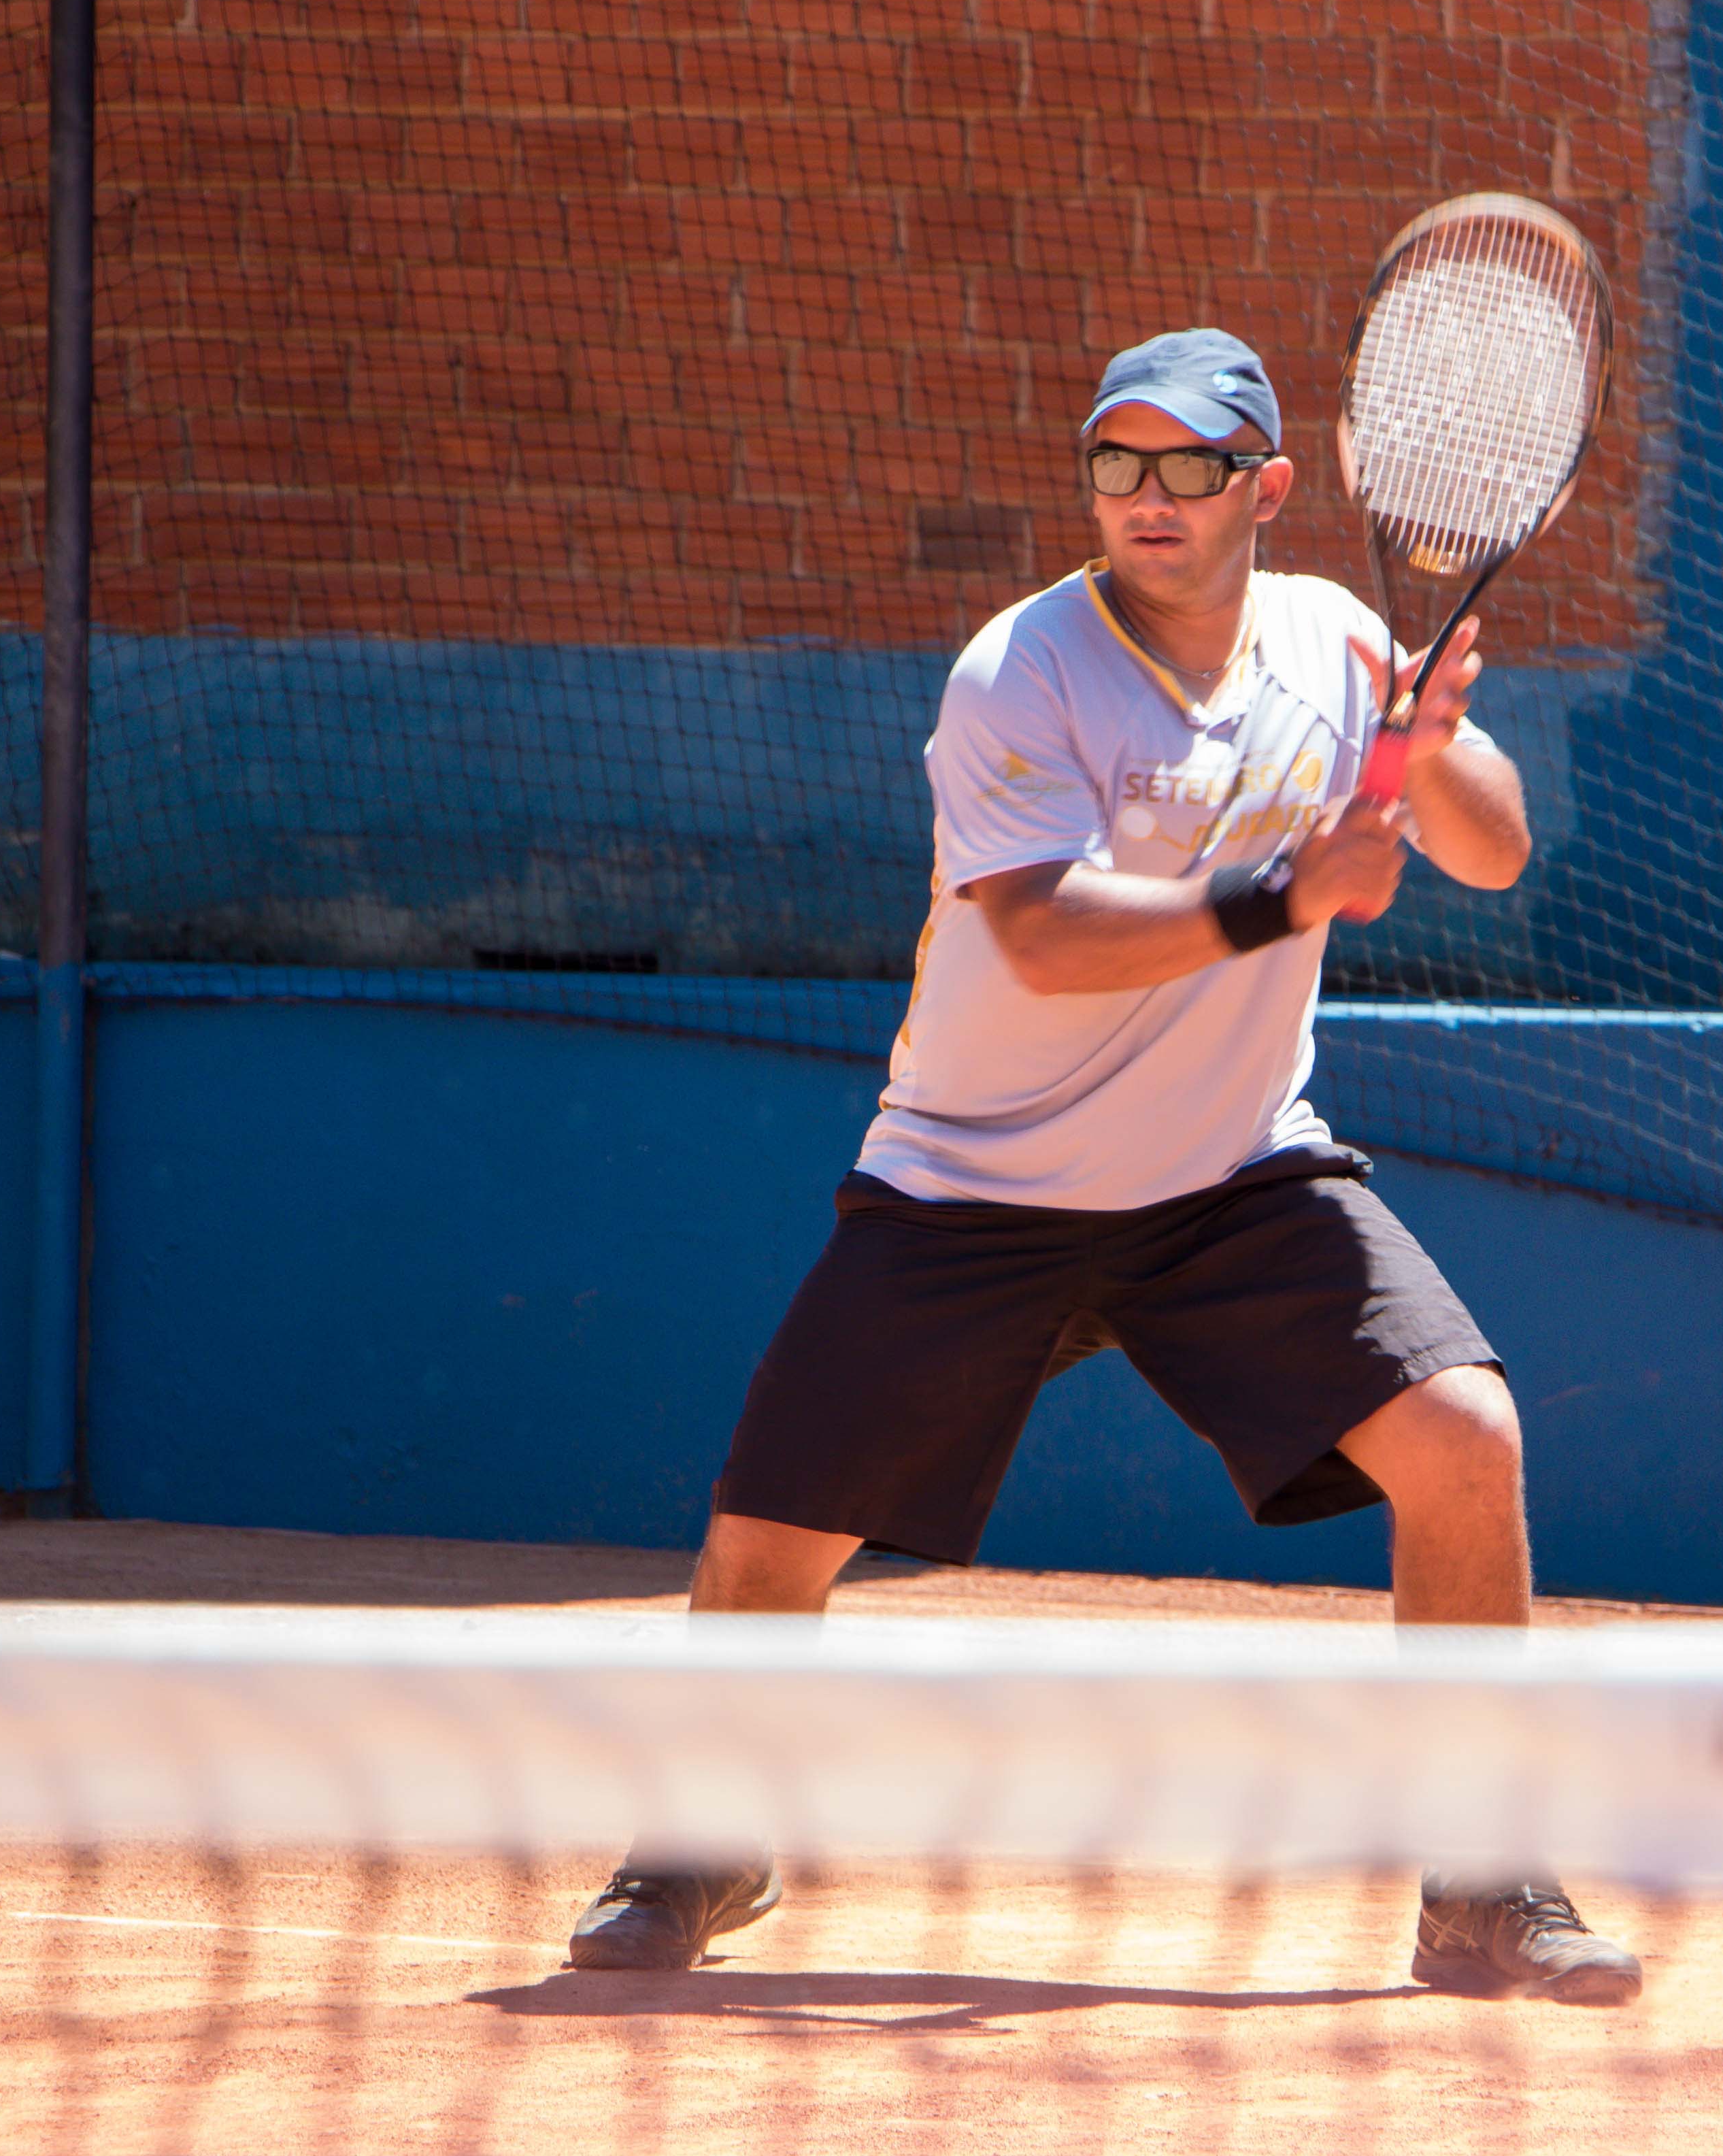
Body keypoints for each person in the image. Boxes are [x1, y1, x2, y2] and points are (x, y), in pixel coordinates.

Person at [563, 328, 1642, 2006]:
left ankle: (1483, 1875)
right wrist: (1285, 897)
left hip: (1231, 1178)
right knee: (773, 1535)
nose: (1148, 497)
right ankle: (709, 1837)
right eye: (1117, 464)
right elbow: (1051, 937)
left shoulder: (1342, 641)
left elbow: (1493, 852)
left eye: (1189, 465)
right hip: (971, 1184)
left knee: (1464, 1433)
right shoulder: (1021, 668)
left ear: (1266, 488)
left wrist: (1427, 741)